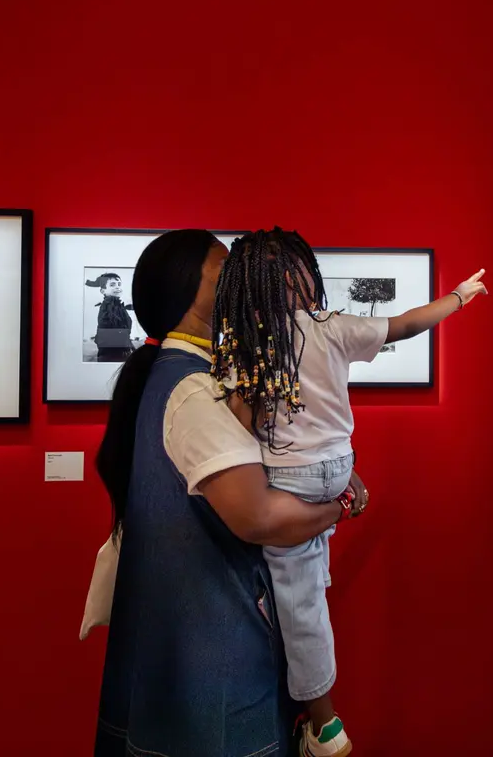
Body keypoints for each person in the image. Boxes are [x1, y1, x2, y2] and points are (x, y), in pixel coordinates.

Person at [211, 227, 488, 756]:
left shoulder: (252, 344)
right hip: (339, 467)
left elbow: (240, 427)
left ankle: (325, 725)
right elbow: (406, 325)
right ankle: (314, 559)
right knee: (309, 571)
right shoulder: (330, 327)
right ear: (301, 275)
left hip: (288, 478)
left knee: (301, 607)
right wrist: (456, 298)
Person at [93, 228, 368, 757]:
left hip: (200, 645)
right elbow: (260, 517)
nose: (245, 280)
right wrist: (336, 505)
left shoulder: (194, 376)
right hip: (211, 652)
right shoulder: (192, 390)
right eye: (227, 270)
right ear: (190, 290)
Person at [87, 272, 135, 362]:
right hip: (112, 354)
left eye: (119, 284)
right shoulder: (109, 304)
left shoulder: (117, 305)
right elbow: (115, 331)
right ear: (103, 291)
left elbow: (122, 331)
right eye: (112, 285)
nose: (117, 287)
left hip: (117, 351)